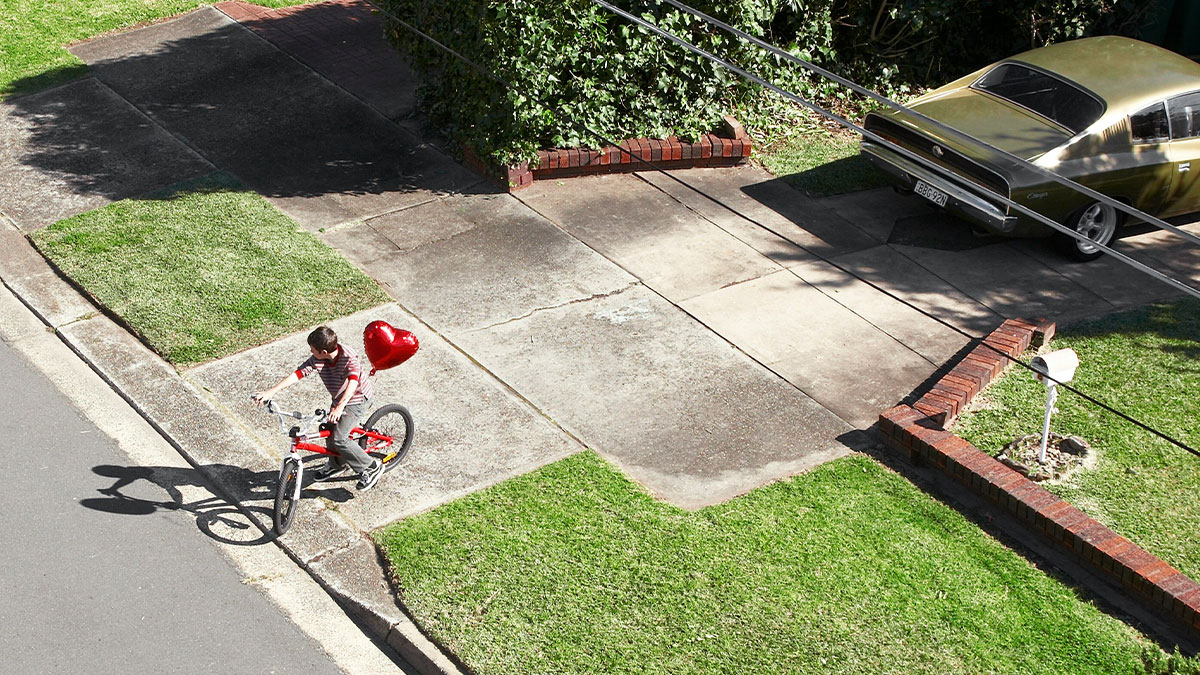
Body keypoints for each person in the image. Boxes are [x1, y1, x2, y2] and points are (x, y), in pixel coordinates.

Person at [253, 326, 383, 491]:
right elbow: (299, 373)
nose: (310, 352)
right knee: (327, 428)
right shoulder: (318, 358)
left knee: (340, 439)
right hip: (339, 399)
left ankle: (371, 467)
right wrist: (270, 392)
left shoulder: (349, 358)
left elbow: (353, 383)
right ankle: (337, 464)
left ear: (323, 351)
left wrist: (339, 407)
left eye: (312, 349)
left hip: (357, 399)